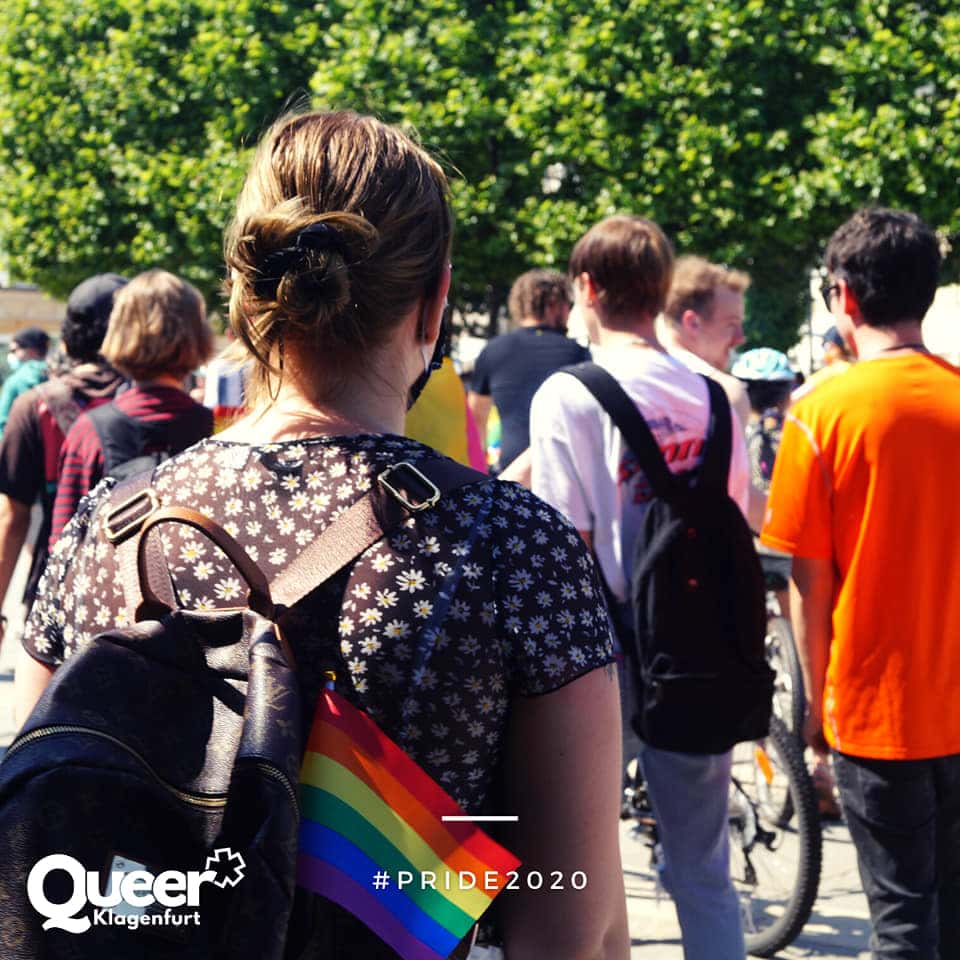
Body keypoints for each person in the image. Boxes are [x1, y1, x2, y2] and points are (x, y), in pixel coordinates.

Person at [16, 110, 629, 960]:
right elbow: (574, 931)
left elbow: (39, 832)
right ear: (436, 301)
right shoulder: (512, 547)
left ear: (243, 293)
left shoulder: (109, 529)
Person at [529, 214, 749, 960]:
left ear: (586, 288)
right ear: (659, 292)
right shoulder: (720, 394)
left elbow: (567, 543)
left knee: (571, 870)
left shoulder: (570, 393)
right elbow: (739, 520)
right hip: (696, 653)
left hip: (602, 658)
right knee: (704, 871)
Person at [761, 207, 960, 958]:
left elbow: (806, 584)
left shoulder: (819, 412)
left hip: (880, 713)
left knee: (903, 926)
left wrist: (812, 716)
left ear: (843, 297)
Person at [731, 346, 842, 821]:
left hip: (755, 549)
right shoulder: (803, 426)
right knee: (803, 645)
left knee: (755, 648)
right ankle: (818, 764)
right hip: (797, 550)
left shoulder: (743, 431)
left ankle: (764, 745)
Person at [0, 274, 126, 652]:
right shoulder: (160, 405)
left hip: (55, 590)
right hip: (143, 592)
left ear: (68, 337)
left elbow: (12, 517)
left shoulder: (36, 406)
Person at [49, 269, 214, 543]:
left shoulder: (89, 433)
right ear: (197, 336)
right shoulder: (217, 431)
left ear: (119, 334)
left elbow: (64, 545)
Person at [467, 269, 588, 475]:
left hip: (510, 477)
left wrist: (479, 476)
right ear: (553, 304)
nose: (569, 311)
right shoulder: (578, 354)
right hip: (565, 475)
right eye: (568, 304)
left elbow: (475, 420)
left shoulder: (493, 351)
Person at [658, 255, 751, 426]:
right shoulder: (726, 395)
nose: (740, 338)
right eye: (731, 324)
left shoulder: (620, 374)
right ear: (692, 323)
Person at [0, 326, 50, 435]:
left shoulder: (15, 381)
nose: (11, 355)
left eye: (14, 350)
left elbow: (3, 426)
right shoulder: (59, 376)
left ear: (30, 351)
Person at [791, 324, 853, 400]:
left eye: (826, 348)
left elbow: (797, 396)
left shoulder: (836, 369)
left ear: (832, 346)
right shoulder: (857, 367)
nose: (825, 353)